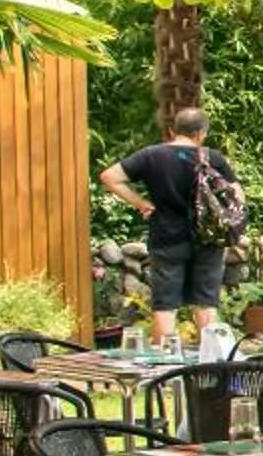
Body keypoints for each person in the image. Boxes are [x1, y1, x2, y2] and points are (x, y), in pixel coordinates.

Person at [99, 107, 239, 344]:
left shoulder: (151, 155)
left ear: (173, 130)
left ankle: (164, 371)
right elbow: (237, 196)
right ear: (202, 133)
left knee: (165, 305)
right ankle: (210, 368)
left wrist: (141, 203)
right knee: (205, 304)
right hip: (208, 239)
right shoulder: (212, 158)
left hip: (166, 238)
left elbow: (109, 177)